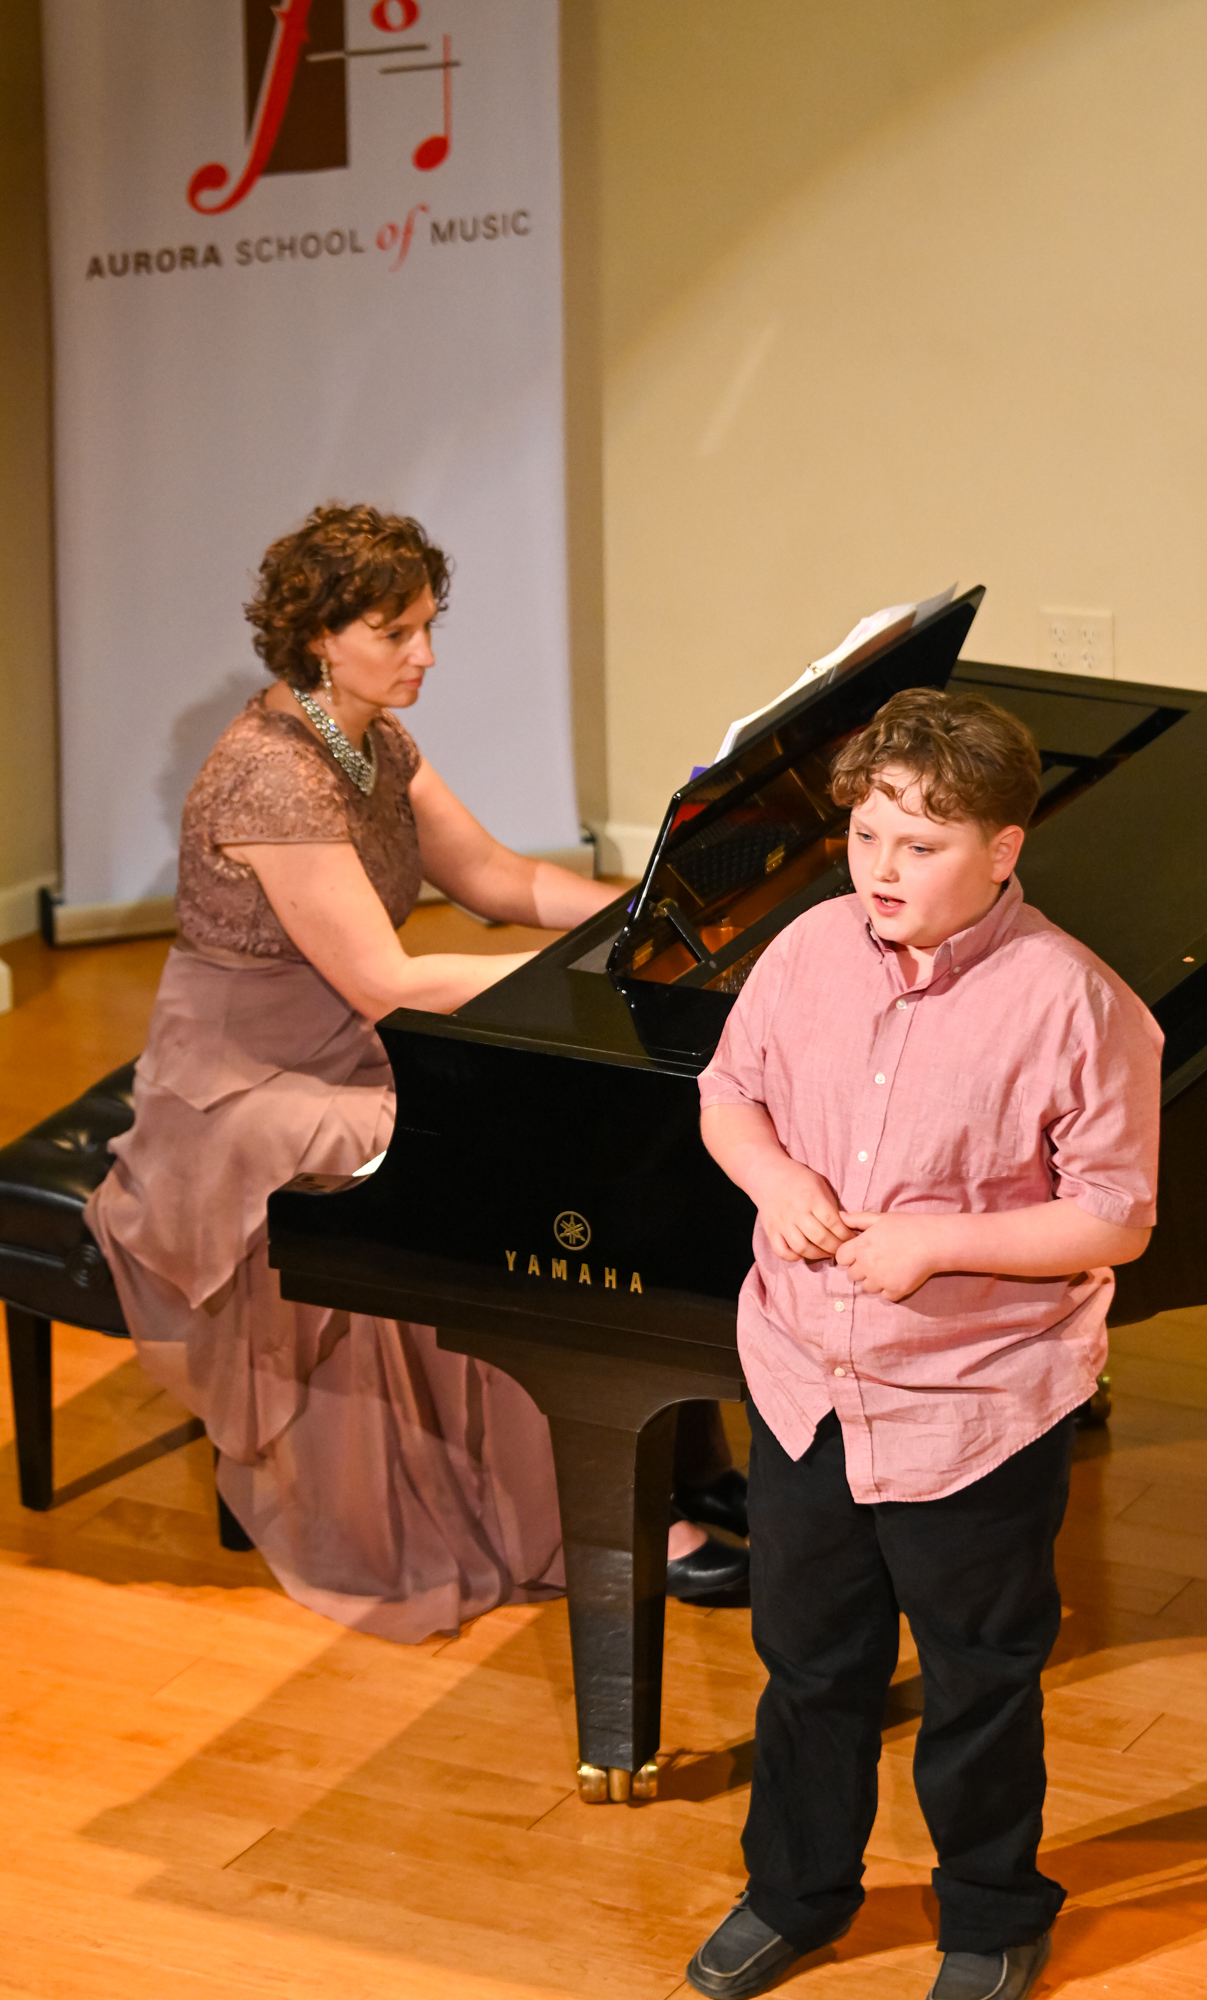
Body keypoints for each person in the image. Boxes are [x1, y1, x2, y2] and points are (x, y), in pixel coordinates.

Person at [87, 502, 747, 1642]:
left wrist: (654, 920)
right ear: (318, 635)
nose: (424, 654)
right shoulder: (271, 777)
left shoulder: (371, 740)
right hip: (242, 1087)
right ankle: (580, 1508)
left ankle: (663, 1461)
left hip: (340, 1044)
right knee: (478, 1159)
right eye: (395, 632)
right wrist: (584, 976)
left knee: (557, 1133)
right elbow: (384, 980)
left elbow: (496, 878)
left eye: (428, 625)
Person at [683, 688, 1162, 2000]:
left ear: (1002, 849)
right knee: (808, 1665)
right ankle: (793, 1892)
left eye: (920, 845)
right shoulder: (806, 950)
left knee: (975, 1677)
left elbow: (1114, 1217)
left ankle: (991, 1915)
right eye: (864, 837)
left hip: (971, 1407)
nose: (879, 870)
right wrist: (774, 1179)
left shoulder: (1075, 1003)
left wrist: (936, 1245)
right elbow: (727, 1094)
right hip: (802, 1385)